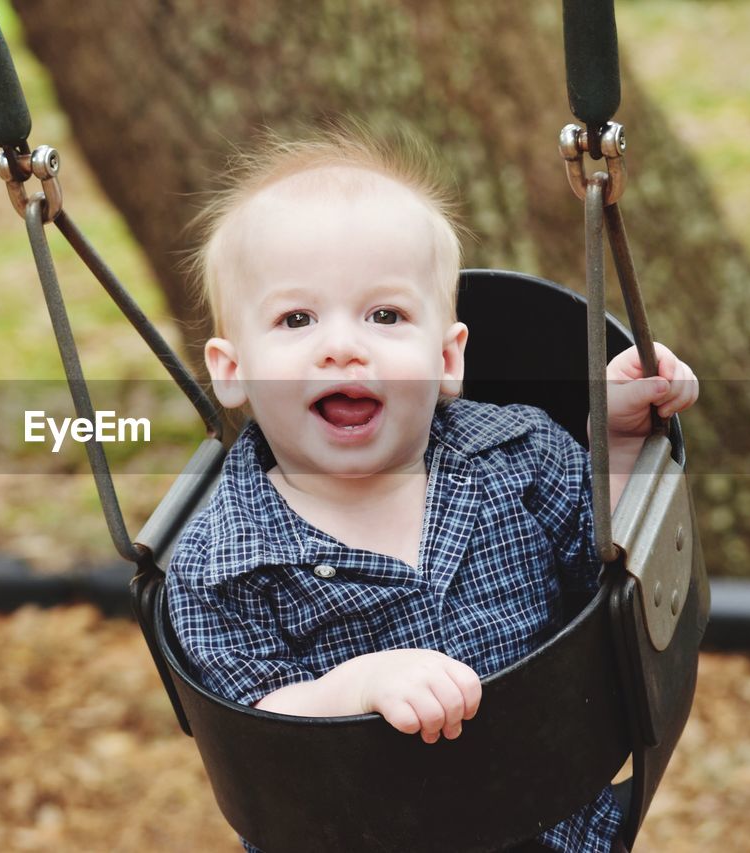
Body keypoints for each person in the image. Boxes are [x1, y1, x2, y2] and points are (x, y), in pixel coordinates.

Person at [165, 125, 699, 853]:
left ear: (448, 358)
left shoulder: (520, 454)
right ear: (232, 370)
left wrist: (621, 441)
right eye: (296, 318)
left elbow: (603, 568)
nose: (343, 344)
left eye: (385, 315)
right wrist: (353, 689)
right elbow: (253, 726)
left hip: (553, 820)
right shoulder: (221, 560)